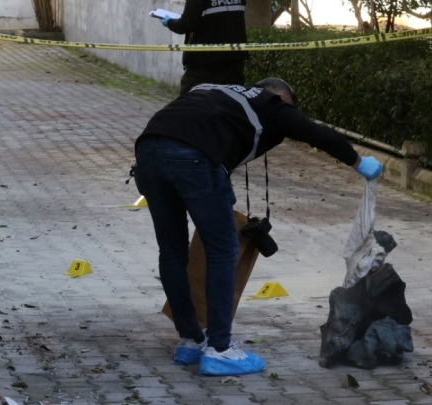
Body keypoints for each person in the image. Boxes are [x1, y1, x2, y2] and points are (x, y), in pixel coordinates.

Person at [132, 78, 383, 376]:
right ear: (279, 95)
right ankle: (220, 350)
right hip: (193, 159)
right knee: (223, 250)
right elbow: (318, 134)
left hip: (147, 152)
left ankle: (190, 342)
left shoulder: (213, 90)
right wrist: (358, 161)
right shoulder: (269, 102)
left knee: (172, 251)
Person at [158, 0, 248, 94]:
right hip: (235, 58)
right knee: (230, 101)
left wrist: (169, 22)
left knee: (192, 101)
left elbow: (185, 25)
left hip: (204, 61)